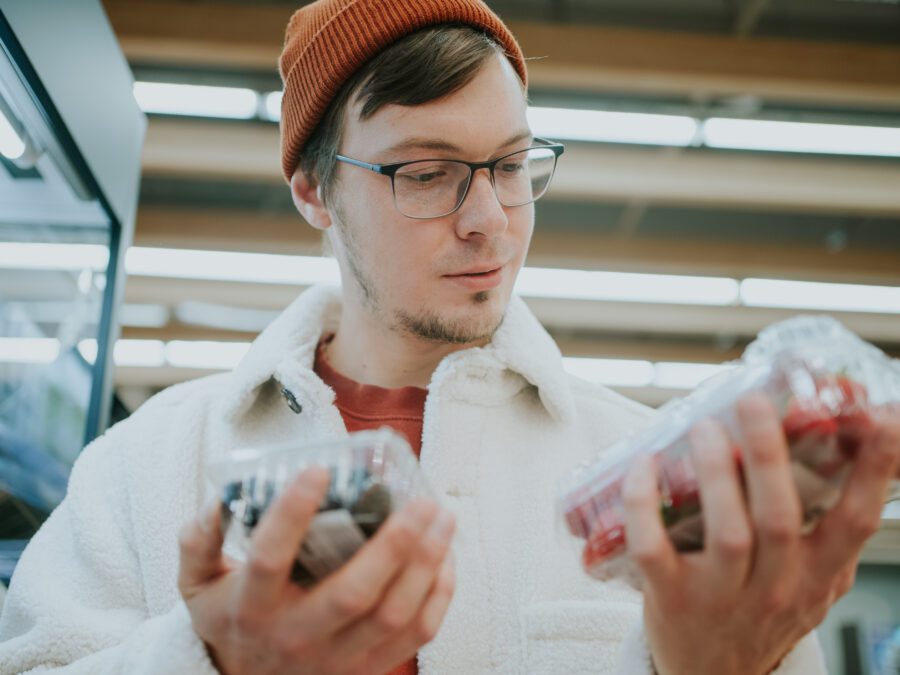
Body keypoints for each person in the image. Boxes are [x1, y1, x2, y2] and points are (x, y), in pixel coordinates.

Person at [1, 1, 898, 673]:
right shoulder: (144, 466)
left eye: (511, 166)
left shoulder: (638, 465)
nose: (491, 222)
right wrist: (207, 659)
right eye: (427, 173)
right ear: (313, 190)